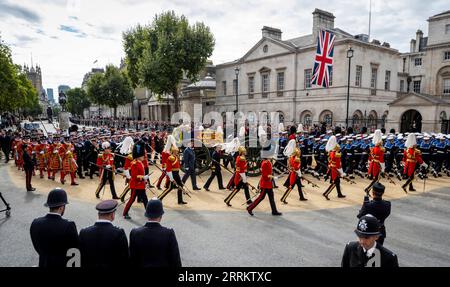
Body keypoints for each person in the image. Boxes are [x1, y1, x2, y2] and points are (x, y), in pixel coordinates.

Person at [30, 188, 79, 267]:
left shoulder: (35, 223)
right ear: (62, 207)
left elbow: (37, 246)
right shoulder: (68, 225)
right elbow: (74, 251)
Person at [129, 198, 182, 267]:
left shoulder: (135, 233)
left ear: (147, 215)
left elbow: (131, 260)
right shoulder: (169, 233)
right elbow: (175, 261)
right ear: (161, 216)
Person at [79, 200, 129, 267]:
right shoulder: (119, 233)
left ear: (98, 215)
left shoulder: (84, 232)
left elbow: (79, 257)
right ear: (112, 215)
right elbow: (124, 259)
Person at [247, 143, 282, 216]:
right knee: (260, 198)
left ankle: (274, 211)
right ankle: (250, 208)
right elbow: (265, 176)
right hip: (265, 184)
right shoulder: (265, 163)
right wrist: (274, 177)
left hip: (268, 184)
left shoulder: (267, 162)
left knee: (271, 198)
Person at [123, 142, 150, 219]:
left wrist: (145, 181)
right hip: (135, 185)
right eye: (142, 156)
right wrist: (144, 177)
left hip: (141, 185)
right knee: (132, 199)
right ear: (138, 156)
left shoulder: (140, 162)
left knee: (145, 199)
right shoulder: (134, 163)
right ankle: (125, 213)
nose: (144, 157)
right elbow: (134, 176)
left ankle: (148, 213)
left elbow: (142, 172)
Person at [322, 136, 346, 200]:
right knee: (335, 182)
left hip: (332, 168)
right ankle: (326, 193)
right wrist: (341, 172)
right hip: (335, 169)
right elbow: (338, 164)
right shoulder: (335, 153)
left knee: (337, 182)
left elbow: (330, 161)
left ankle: (339, 194)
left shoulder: (331, 152)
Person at [365, 130, 385, 194]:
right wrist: (383, 168)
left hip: (373, 163)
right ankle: (368, 189)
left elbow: (370, 157)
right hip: (378, 164)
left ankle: (375, 190)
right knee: (376, 178)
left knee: (376, 178)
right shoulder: (381, 149)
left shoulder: (373, 148)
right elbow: (381, 160)